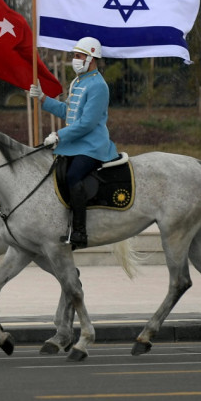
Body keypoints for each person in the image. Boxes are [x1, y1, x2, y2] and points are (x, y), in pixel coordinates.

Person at [29, 37, 118, 250]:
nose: (75, 60)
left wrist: (59, 136)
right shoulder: (78, 82)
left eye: (79, 56)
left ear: (91, 58)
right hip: (73, 144)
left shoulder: (98, 86)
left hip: (91, 146)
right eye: (75, 56)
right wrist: (43, 98)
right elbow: (67, 112)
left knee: (73, 175)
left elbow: (87, 123)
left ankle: (79, 231)